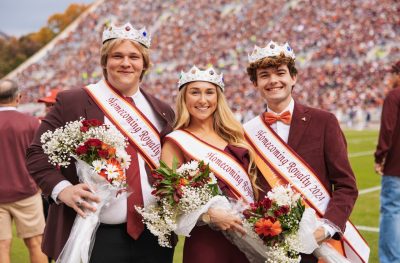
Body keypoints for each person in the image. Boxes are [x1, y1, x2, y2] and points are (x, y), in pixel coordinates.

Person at [26, 22, 175, 263]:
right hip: (93, 232)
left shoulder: (163, 110)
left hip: (153, 235)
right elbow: (36, 153)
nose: (126, 63)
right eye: (117, 56)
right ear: (105, 61)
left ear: (144, 64)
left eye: (134, 57)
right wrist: (63, 189)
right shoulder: (74, 100)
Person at [243, 41, 363, 262]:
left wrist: (326, 228)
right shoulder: (247, 132)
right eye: (264, 75)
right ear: (255, 83)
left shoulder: (324, 121)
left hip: (319, 242)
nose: (273, 81)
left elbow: (346, 185)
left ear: (293, 78)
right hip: (270, 246)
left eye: (280, 73)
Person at [161, 65, 262, 263]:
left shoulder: (235, 137)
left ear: (218, 98)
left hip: (247, 237)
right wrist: (208, 215)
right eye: (195, 92)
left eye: (209, 92)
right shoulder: (176, 142)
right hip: (207, 244)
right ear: (184, 97)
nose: (202, 100)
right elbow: (168, 199)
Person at [0, 79, 47, 263]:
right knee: (35, 242)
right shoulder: (31, 122)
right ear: (18, 98)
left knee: (1, 245)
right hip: (27, 191)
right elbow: (41, 158)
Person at [374, 60, 400, 263]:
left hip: (396, 166)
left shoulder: (394, 95)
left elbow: (387, 129)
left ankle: (391, 260)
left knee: (391, 211)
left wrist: (380, 157)